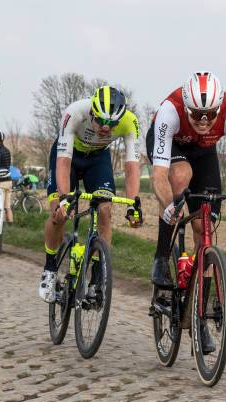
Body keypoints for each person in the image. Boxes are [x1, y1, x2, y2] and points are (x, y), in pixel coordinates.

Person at [147, 71, 226, 353]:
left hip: (204, 152)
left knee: (204, 227)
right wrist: (170, 207)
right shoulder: (169, 111)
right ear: (187, 107)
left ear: (219, 108)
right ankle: (162, 258)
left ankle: (200, 319)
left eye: (210, 114)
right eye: (197, 114)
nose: (204, 120)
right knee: (181, 175)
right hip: (171, 147)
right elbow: (159, 175)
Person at [39, 85, 142, 303]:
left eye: (112, 124)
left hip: (98, 159)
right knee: (59, 213)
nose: (106, 128)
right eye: (101, 121)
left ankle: (97, 277)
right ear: (92, 112)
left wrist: (134, 204)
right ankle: (49, 269)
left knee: (105, 209)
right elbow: (64, 163)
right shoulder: (74, 112)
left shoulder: (130, 122)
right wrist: (65, 199)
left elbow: (133, 166)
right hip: (69, 156)